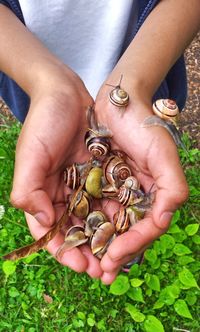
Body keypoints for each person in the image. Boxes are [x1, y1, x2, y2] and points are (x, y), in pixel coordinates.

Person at [0, 0, 199, 285]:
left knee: (132, 206)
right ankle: (120, 244)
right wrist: (47, 85)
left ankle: (122, 245)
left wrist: (135, 84)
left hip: (143, 69)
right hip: (36, 83)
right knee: (56, 145)